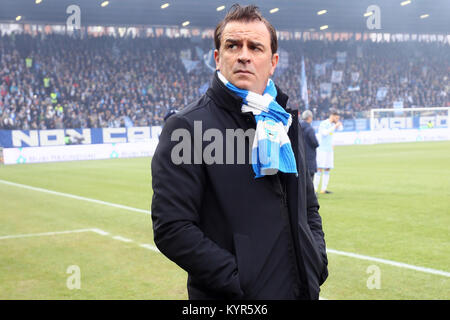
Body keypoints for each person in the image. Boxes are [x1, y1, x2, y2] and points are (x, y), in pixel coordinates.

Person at [151, 4, 328, 300]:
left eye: (255, 47)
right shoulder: (186, 127)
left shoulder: (284, 120)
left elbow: (308, 207)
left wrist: (316, 261)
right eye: (233, 45)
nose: (244, 55)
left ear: (272, 62)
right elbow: (172, 227)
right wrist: (242, 282)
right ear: (218, 58)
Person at [313, 108, 343, 194]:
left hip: (329, 149)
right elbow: (324, 133)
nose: (337, 120)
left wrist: (337, 125)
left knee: (327, 168)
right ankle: (314, 189)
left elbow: (341, 128)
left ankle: (323, 189)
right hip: (322, 149)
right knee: (319, 169)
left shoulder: (333, 124)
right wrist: (334, 126)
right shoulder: (324, 123)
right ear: (332, 116)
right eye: (336, 118)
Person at [300, 110, 319, 181]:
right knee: (310, 178)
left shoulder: (298, 127)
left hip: (300, 155)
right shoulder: (310, 129)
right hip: (310, 156)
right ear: (309, 117)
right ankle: (310, 192)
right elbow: (315, 143)